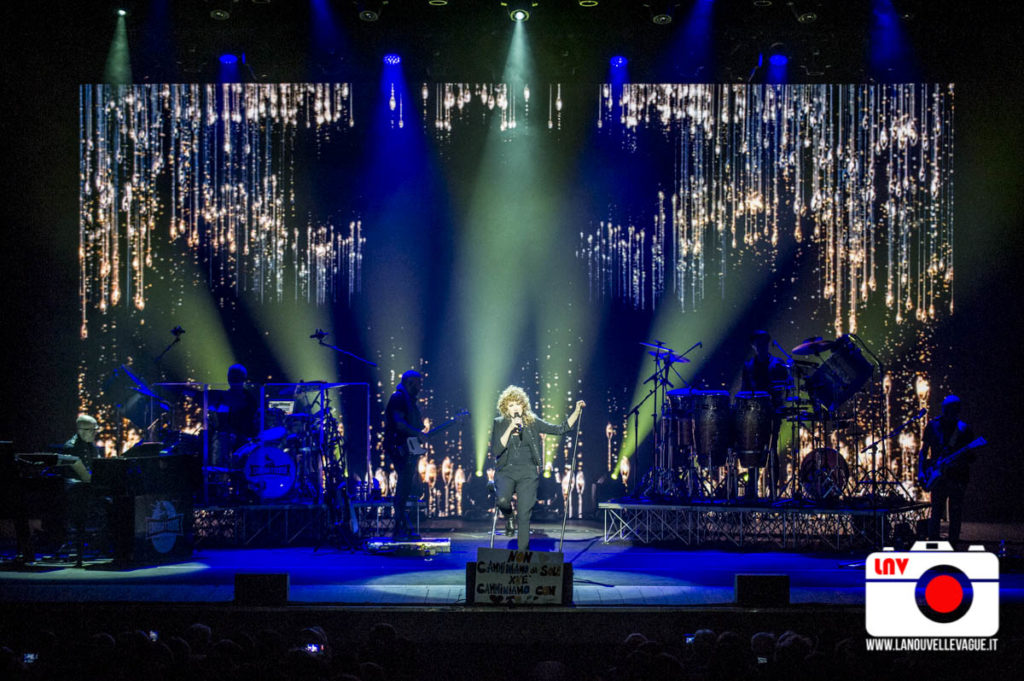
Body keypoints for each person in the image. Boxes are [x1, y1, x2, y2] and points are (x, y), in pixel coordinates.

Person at [490, 385, 585, 551]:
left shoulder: (532, 422)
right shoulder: (499, 423)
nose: (515, 408)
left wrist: (576, 411)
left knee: (525, 514)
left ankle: (522, 555)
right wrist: (510, 428)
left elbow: (560, 429)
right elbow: (497, 450)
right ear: (505, 408)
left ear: (523, 406)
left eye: (517, 404)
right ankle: (509, 516)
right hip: (506, 470)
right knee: (503, 500)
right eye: (511, 405)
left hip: (528, 472)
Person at [739, 330, 790, 499]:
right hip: (753, 415)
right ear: (754, 346)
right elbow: (744, 391)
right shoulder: (748, 367)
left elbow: (786, 388)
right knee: (753, 451)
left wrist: (779, 402)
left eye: (764, 343)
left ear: (768, 344)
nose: (761, 347)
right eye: (758, 344)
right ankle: (752, 490)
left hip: (772, 413)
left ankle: (773, 491)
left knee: (772, 450)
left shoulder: (778, 365)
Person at [918, 395, 976, 544]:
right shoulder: (933, 425)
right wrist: (921, 471)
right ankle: (934, 543)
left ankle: (953, 543)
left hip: (957, 476)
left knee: (955, 512)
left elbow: (972, 457)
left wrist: (959, 460)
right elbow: (923, 451)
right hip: (938, 475)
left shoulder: (963, 429)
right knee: (936, 511)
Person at [384, 370, 426, 540]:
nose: (420, 386)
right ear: (410, 382)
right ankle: (401, 528)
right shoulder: (399, 398)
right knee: (403, 487)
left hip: (405, 447)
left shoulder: (409, 401)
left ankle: (402, 527)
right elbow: (400, 424)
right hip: (399, 447)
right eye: (418, 382)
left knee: (406, 487)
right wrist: (417, 433)